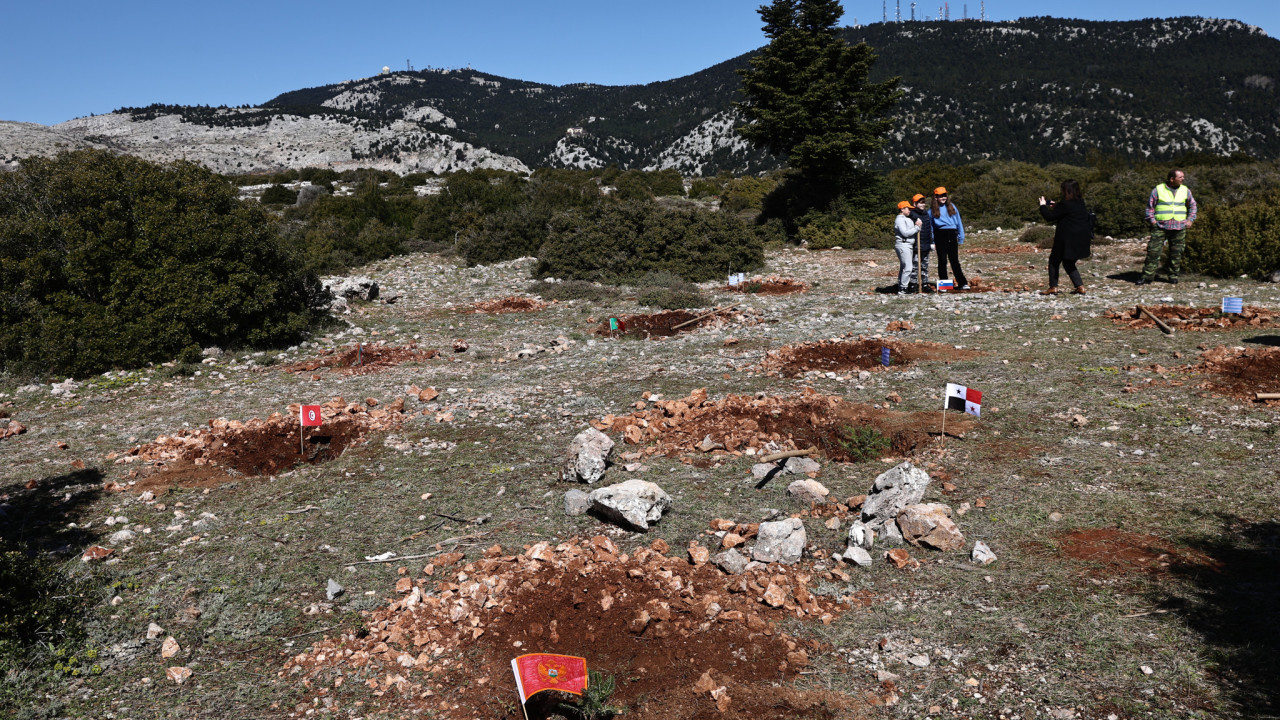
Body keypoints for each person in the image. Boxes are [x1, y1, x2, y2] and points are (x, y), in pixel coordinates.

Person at [1138, 168, 1197, 285]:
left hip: (1179, 227)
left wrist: (1190, 220)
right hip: (1160, 227)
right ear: (1172, 179)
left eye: (1183, 177)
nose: (1183, 179)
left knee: (1176, 253)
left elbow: (1193, 206)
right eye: (1180, 177)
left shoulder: (1186, 190)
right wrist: (1153, 221)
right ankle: (1147, 277)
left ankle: (1173, 276)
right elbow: (1150, 207)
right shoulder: (1158, 190)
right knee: (1153, 253)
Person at [1037, 179, 1092, 295]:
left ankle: (1053, 287)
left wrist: (1042, 206)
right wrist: (1056, 205)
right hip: (1081, 237)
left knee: (1054, 261)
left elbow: (1049, 217)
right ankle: (1080, 287)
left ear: (1066, 191)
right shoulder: (1080, 202)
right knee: (1068, 262)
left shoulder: (1065, 204)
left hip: (1066, 238)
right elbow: (1068, 210)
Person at [930, 187, 968, 290]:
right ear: (936, 197)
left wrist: (961, 236)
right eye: (940, 195)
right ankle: (944, 285)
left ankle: (963, 283)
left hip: (952, 233)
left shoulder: (952, 206)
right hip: (940, 235)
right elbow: (931, 227)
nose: (943, 197)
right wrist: (932, 240)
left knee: (954, 260)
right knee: (942, 260)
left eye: (944, 195)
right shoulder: (932, 210)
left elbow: (958, 221)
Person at [893, 200, 921, 295]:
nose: (909, 210)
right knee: (908, 267)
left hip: (908, 245)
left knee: (904, 267)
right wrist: (917, 228)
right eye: (907, 208)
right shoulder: (900, 219)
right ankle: (903, 288)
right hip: (903, 245)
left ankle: (902, 286)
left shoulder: (906, 218)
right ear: (902, 209)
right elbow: (904, 233)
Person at [909, 193, 934, 290]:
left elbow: (929, 229)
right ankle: (913, 285)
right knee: (915, 267)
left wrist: (931, 242)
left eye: (923, 203)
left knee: (925, 266)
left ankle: (924, 284)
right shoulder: (912, 214)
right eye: (920, 203)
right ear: (915, 204)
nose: (922, 205)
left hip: (926, 245)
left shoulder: (926, 214)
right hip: (916, 245)